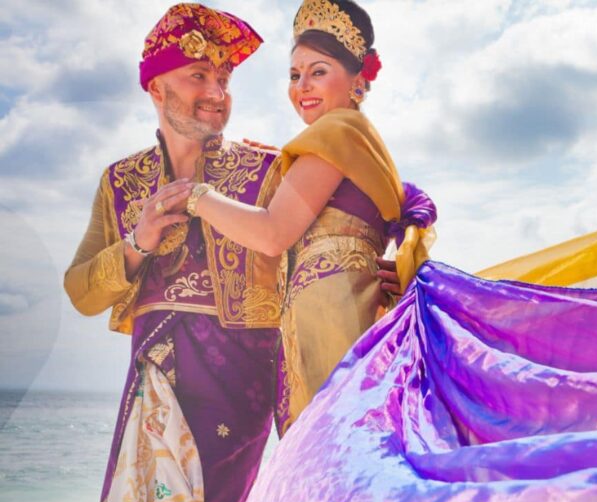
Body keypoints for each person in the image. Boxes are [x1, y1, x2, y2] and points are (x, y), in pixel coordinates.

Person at [61, 4, 395, 502]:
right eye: (198, 76)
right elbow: (81, 290)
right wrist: (137, 243)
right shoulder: (120, 183)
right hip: (152, 379)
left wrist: (386, 262)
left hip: (238, 380)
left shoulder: (266, 169)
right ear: (156, 87)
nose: (217, 94)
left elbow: (343, 228)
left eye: (226, 80)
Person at [169, 0, 436, 434]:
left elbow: (272, 233)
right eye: (294, 75)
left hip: (328, 321)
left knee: (325, 467)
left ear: (358, 79)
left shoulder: (334, 133)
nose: (302, 87)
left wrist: (197, 196)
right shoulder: (361, 142)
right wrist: (282, 162)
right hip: (349, 317)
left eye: (318, 71)